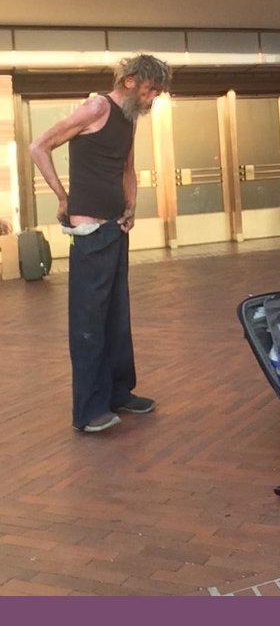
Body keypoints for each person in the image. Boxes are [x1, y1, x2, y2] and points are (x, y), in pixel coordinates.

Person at [30, 54, 172, 433]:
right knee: (89, 321)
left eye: (157, 91)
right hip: (90, 231)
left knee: (116, 316)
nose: (153, 96)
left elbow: (127, 168)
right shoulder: (96, 107)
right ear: (129, 81)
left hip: (115, 228)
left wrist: (131, 205)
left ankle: (118, 393)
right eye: (150, 88)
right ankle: (88, 411)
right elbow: (38, 147)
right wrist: (63, 198)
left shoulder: (129, 118)